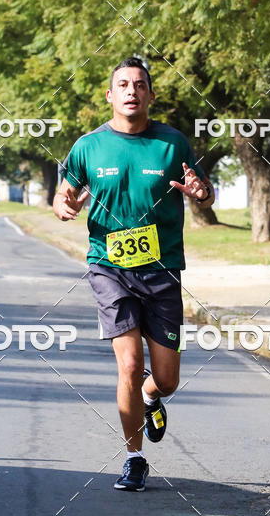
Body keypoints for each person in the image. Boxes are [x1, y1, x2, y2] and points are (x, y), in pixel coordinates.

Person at [54, 57, 215, 492]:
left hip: (163, 270)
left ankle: (150, 398)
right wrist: (64, 205)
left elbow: (203, 189)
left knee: (166, 379)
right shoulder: (87, 146)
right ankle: (134, 457)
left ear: (150, 95)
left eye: (139, 84)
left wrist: (201, 192)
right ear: (109, 95)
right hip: (109, 266)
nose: (131, 90)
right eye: (122, 84)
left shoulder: (172, 143)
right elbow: (63, 194)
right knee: (129, 365)